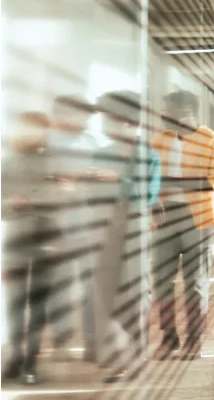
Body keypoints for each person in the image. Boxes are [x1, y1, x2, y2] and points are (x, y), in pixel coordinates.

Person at [91, 91, 161, 383]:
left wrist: (116, 181)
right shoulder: (101, 153)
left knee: (136, 290)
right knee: (107, 290)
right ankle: (118, 354)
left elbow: (148, 195)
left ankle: (136, 357)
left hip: (134, 223)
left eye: (109, 118)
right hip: (104, 225)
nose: (106, 124)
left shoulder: (148, 155)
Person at [151, 90, 214, 361]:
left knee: (194, 283)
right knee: (160, 281)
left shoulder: (211, 141)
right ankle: (169, 338)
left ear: (184, 112)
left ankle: (194, 341)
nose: (162, 115)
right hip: (164, 218)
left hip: (198, 220)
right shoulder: (160, 140)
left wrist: (168, 183)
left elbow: (213, 181)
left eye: (167, 110)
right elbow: (150, 179)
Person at [1, 111, 61, 385]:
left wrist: (36, 200)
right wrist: (10, 205)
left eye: (40, 129)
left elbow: (67, 198)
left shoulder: (54, 163)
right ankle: (13, 359)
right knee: (13, 305)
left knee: (37, 305)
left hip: (47, 240)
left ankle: (31, 363)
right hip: (15, 241)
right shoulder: (7, 163)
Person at [45, 96, 100, 363]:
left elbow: (99, 175)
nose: (86, 121)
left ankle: (91, 341)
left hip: (90, 224)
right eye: (81, 116)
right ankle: (61, 342)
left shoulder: (90, 142)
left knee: (92, 286)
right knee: (61, 288)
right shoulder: (47, 144)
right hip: (58, 227)